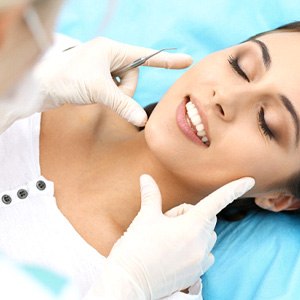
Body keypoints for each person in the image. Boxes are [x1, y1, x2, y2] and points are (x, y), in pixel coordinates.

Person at [2, 19, 300, 299]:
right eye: (241, 67)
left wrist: (124, 289)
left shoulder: (158, 287)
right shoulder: (52, 64)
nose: (225, 97)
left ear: (280, 198)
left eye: (267, 122)